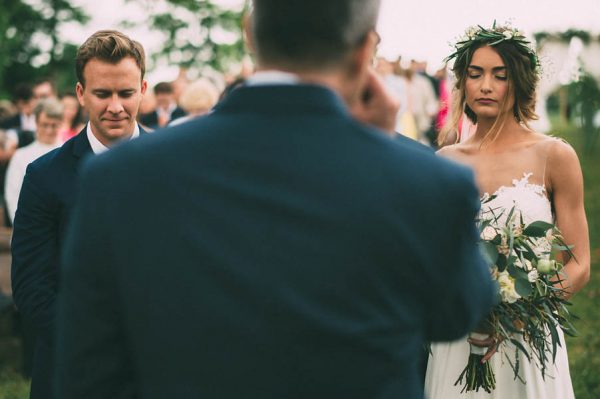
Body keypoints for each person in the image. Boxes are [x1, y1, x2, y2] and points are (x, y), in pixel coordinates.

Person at [56, 1, 495, 398]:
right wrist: (381, 151)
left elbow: (87, 372)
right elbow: (457, 311)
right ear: (365, 53)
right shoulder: (428, 181)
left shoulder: (120, 178)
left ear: (249, 32)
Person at [425, 23, 590, 399]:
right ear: (463, 83)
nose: (485, 86)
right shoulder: (443, 163)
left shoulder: (555, 156)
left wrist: (522, 311)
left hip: (526, 341)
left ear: (519, 83)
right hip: (459, 335)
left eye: (499, 76)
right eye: (475, 74)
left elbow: (579, 264)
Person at [10, 30, 149, 399]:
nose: (115, 107)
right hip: (72, 372)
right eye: (103, 94)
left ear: (143, 89)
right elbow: (30, 284)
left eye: (126, 93)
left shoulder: (177, 165)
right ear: (81, 93)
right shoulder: (44, 176)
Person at [4, 98, 63, 223]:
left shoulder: (68, 152)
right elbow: (12, 196)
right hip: (29, 227)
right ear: (36, 123)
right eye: (45, 125)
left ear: (60, 123)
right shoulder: (21, 156)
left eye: (54, 125)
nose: (49, 130)